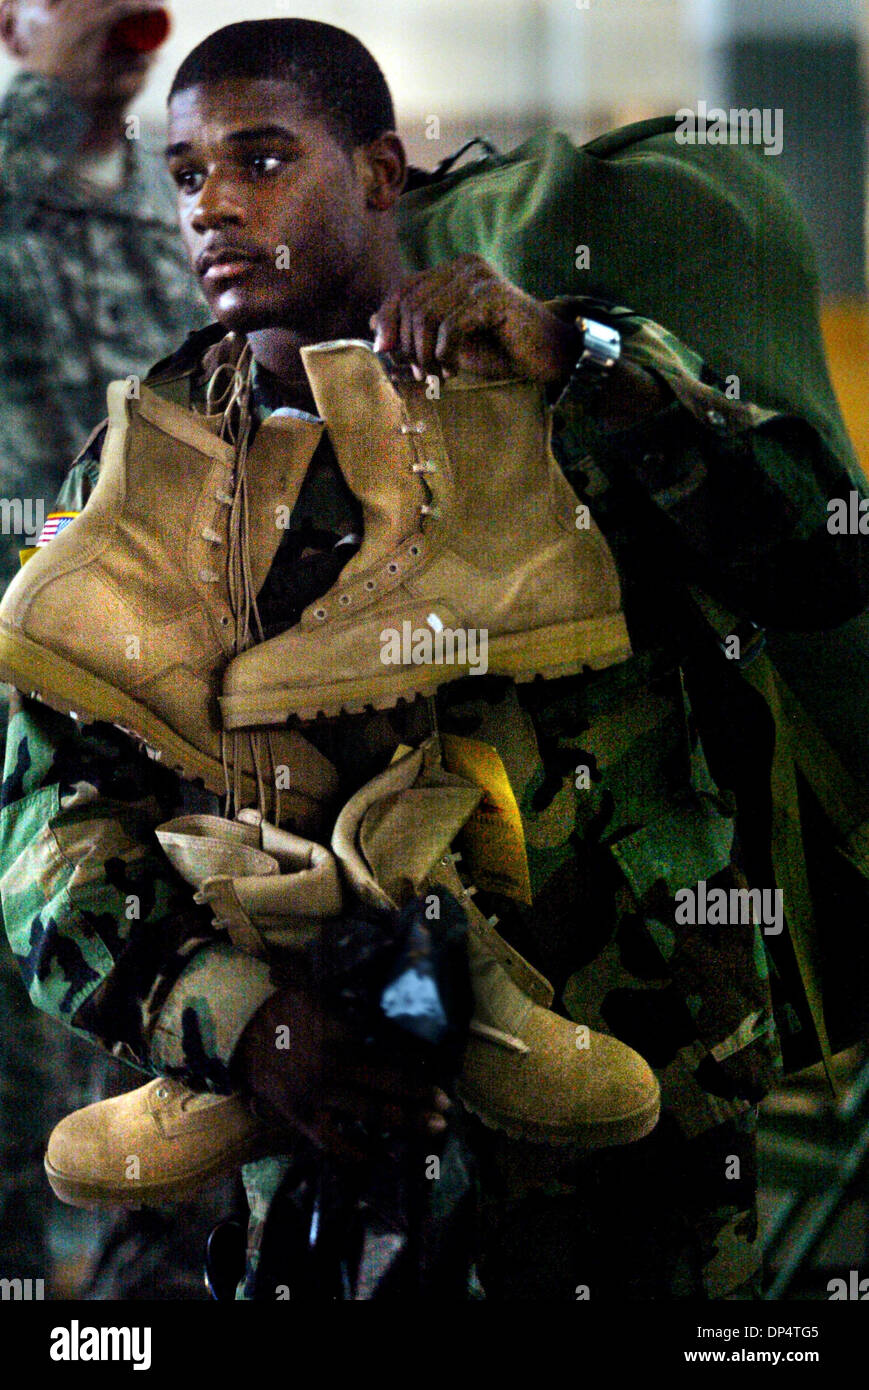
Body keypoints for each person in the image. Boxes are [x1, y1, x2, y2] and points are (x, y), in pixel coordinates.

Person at [0, 17, 865, 1299]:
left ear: (382, 174)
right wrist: (241, 1016)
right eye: (186, 176)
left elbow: (814, 560)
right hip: (314, 1142)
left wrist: (588, 360)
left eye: (263, 159)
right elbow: (45, 812)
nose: (215, 207)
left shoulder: (551, 379)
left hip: (629, 1124)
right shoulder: (141, 467)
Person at [0, 0, 214, 1297]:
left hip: (161, 708)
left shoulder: (170, 197)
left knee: (151, 1073)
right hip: (17, 717)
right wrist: (48, 84)